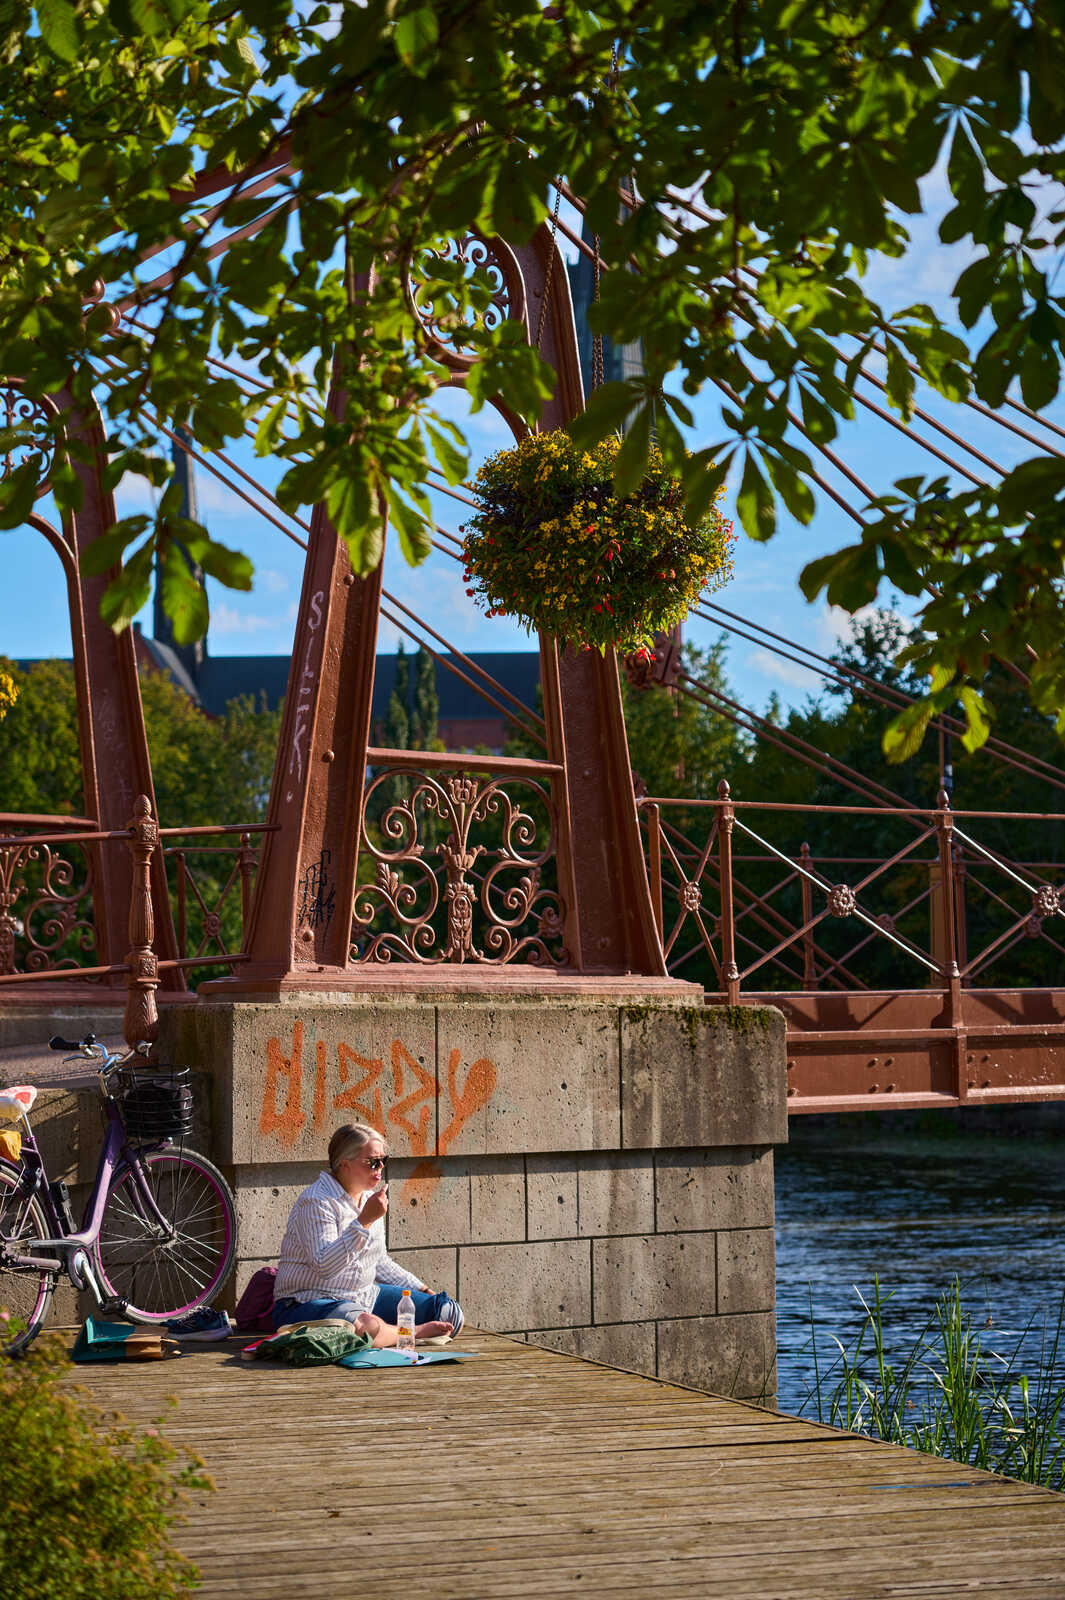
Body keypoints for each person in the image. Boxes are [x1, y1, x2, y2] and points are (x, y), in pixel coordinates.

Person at [272, 1123, 464, 1346]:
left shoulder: (368, 1198)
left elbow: (379, 1262)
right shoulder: (316, 1202)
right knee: (364, 1326)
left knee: (449, 1313)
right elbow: (324, 1266)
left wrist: (421, 1288)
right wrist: (364, 1222)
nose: (380, 1167)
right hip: (308, 1300)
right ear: (345, 1164)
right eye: (372, 1162)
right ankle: (414, 1332)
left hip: (362, 1296)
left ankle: (389, 1332)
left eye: (384, 1160)